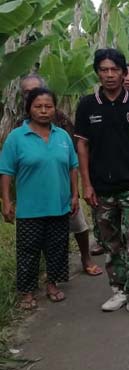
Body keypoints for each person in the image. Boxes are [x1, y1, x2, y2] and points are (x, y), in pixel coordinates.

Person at [75, 49, 129, 318]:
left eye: (115, 69)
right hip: (101, 187)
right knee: (111, 242)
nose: (110, 75)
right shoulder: (88, 105)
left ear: (124, 73)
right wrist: (86, 184)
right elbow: (82, 145)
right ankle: (120, 290)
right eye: (104, 70)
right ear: (98, 73)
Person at [18, 74, 104, 275]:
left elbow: (75, 147)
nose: (31, 95)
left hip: (62, 185)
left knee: (78, 224)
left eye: (34, 90)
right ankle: (44, 272)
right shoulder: (20, 122)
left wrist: (78, 187)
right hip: (33, 189)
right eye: (26, 93)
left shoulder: (59, 118)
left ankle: (85, 257)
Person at [1, 88, 79, 308]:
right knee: (28, 251)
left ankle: (52, 284)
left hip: (59, 205)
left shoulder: (62, 136)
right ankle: (27, 292)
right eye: (38, 106)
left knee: (57, 248)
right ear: (29, 109)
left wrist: (75, 195)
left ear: (55, 108)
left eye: (48, 106)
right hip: (29, 208)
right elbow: (6, 171)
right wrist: (6, 202)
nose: (44, 111)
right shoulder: (17, 137)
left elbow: (73, 167)